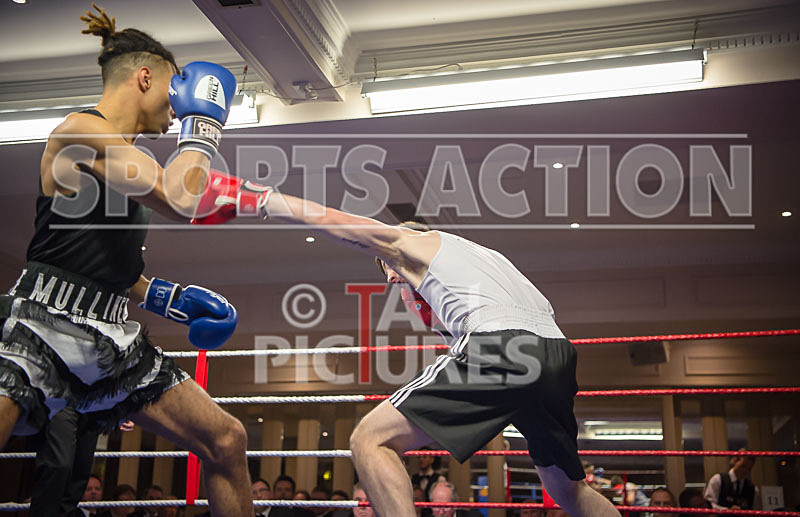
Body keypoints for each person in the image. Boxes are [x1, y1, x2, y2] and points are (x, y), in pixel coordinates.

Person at [190, 176, 622, 517]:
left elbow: (341, 225)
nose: (395, 281)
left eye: (392, 274)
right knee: (568, 489)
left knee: (369, 440)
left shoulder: (409, 243)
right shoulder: (482, 257)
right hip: (556, 353)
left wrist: (256, 198)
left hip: (502, 343)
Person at [0, 5, 251, 516]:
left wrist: (163, 296)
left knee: (227, 440)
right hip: (41, 326)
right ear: (145, 77)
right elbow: (182, 198)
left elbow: (101, 256)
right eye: (174, 86)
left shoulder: (131, 158)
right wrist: (203, 126)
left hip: (110, 336)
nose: (178, 104)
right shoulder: (79, 132)